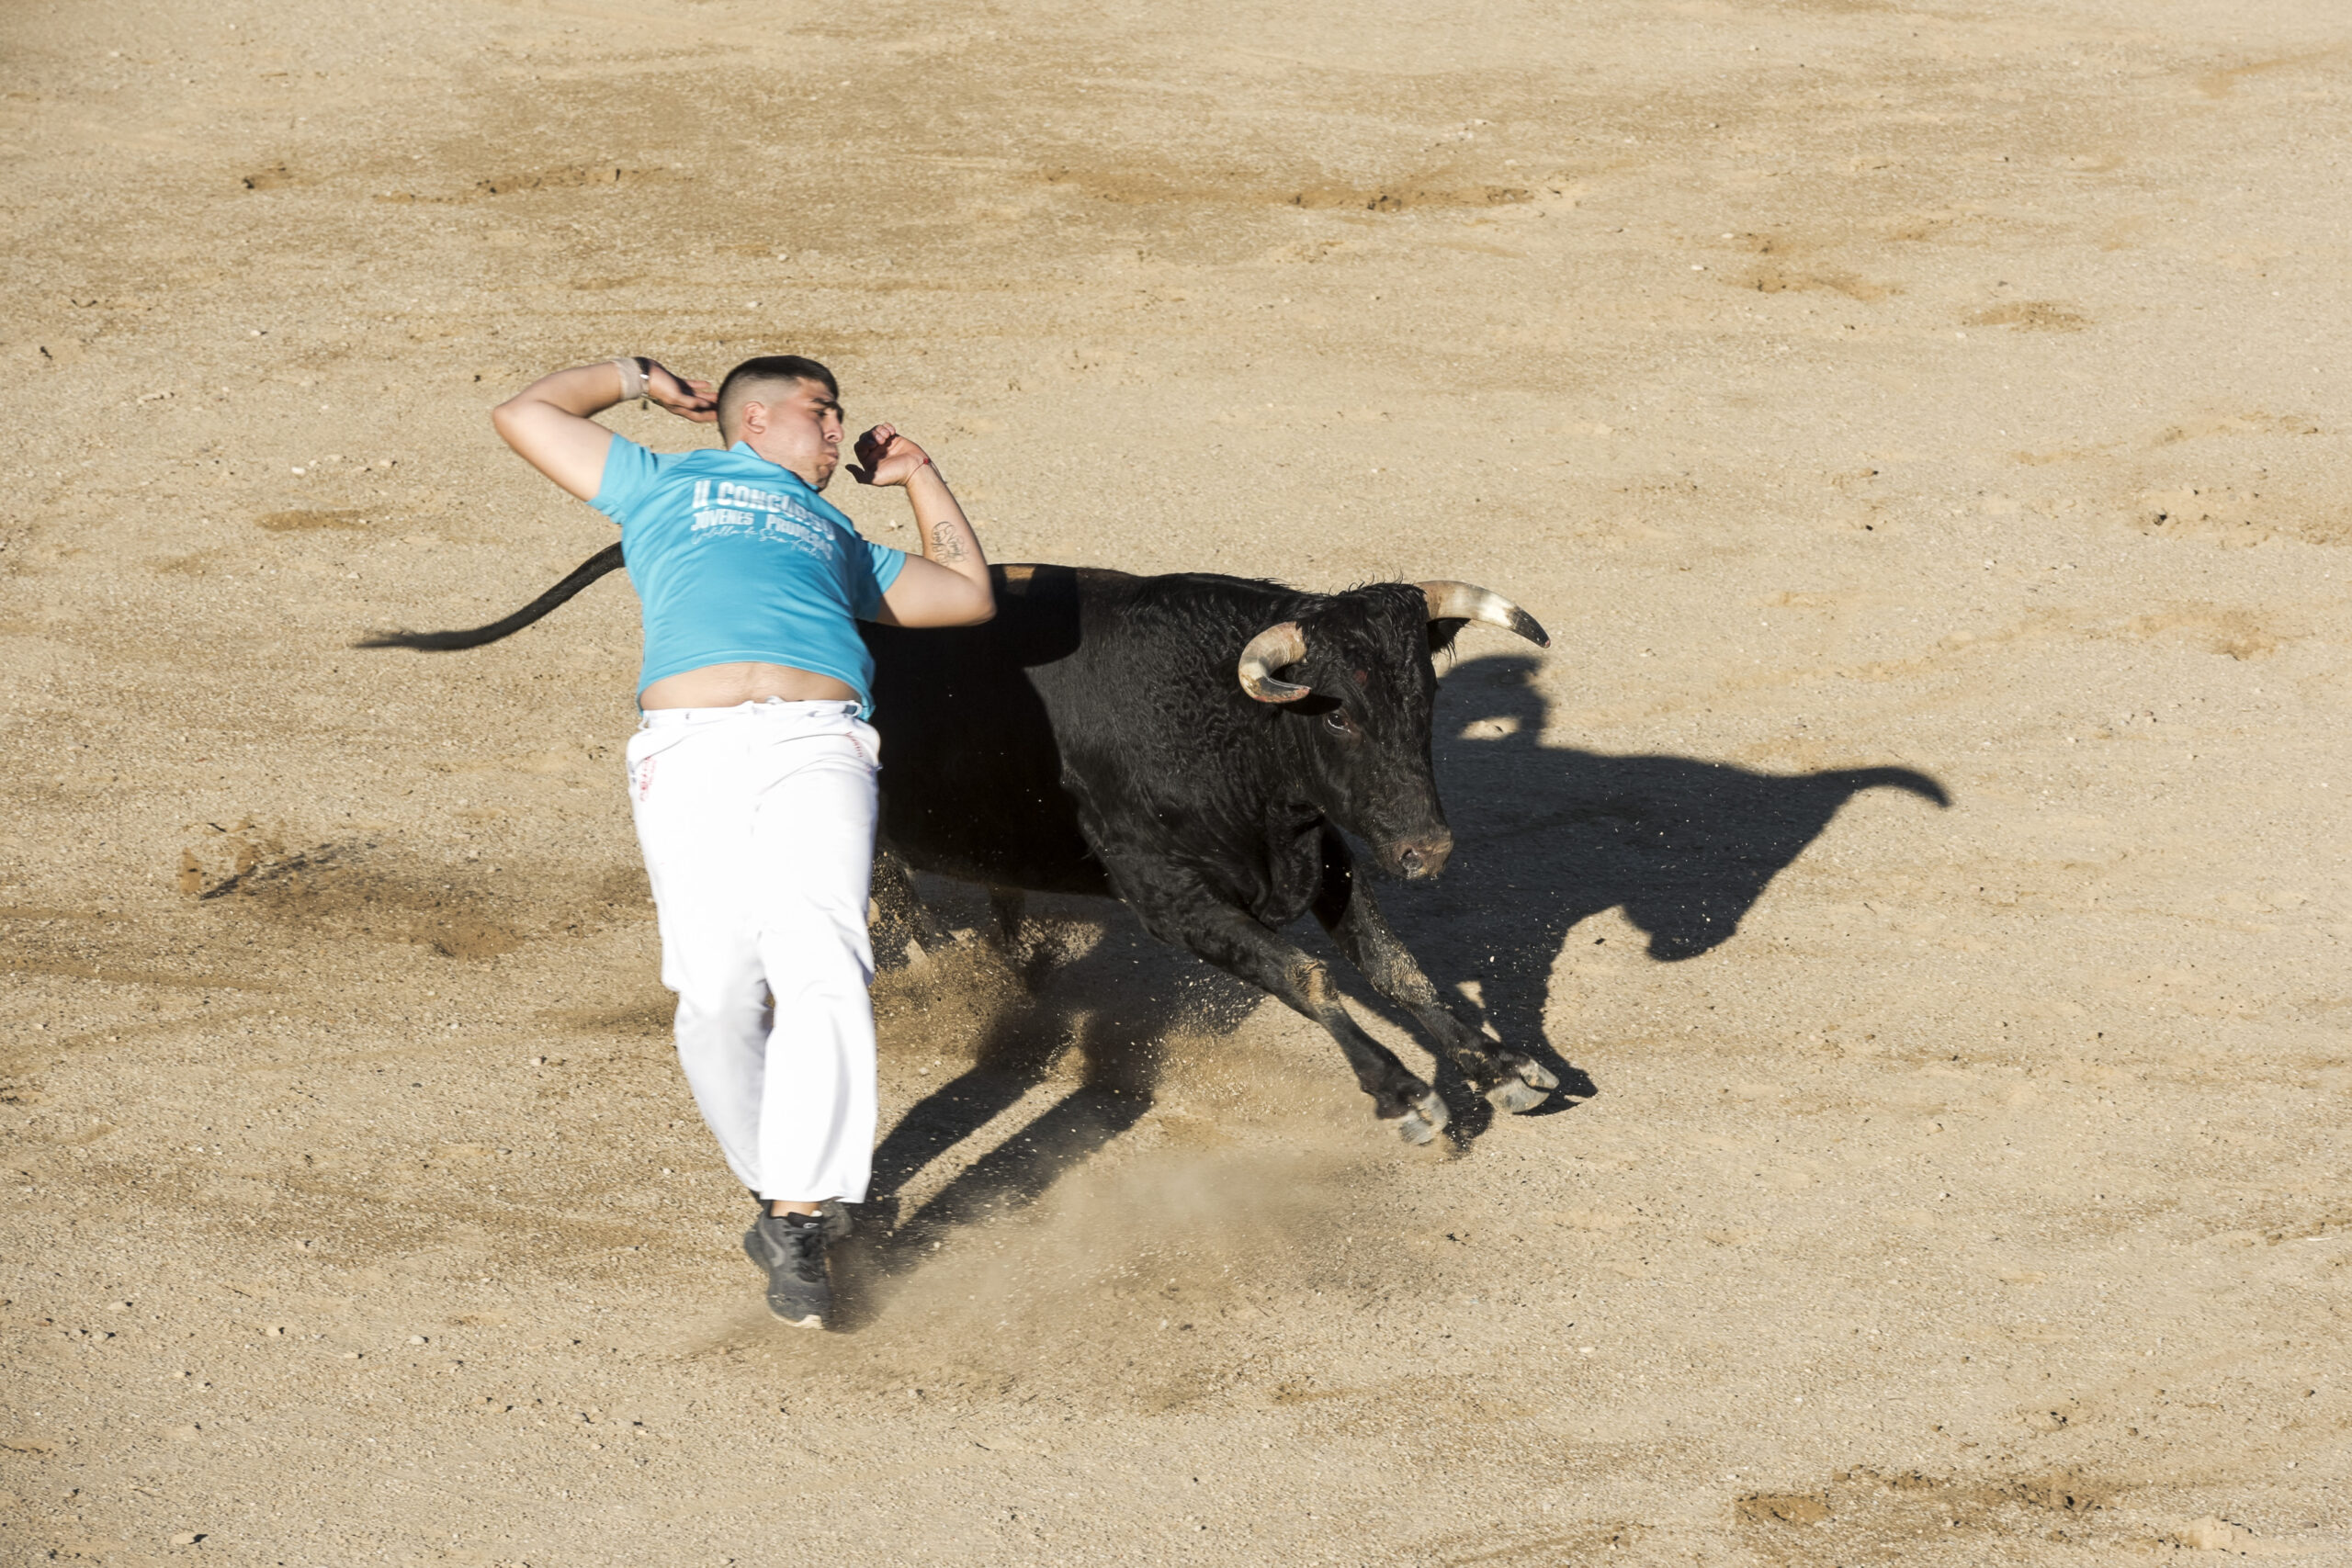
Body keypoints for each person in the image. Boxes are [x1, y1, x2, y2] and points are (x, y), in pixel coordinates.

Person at [490, 353, 994, 1327]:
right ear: (754, 420)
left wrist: (920, 475)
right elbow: (524, 413)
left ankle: (802, 1215)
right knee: (716, 994)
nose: (840, 432)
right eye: (821, 412)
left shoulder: (838, 534)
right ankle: (778, 1193)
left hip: (819, 743)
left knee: (825, 965)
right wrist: (636, 376)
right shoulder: (662, 480)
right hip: (690, 747)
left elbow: (966, 595)